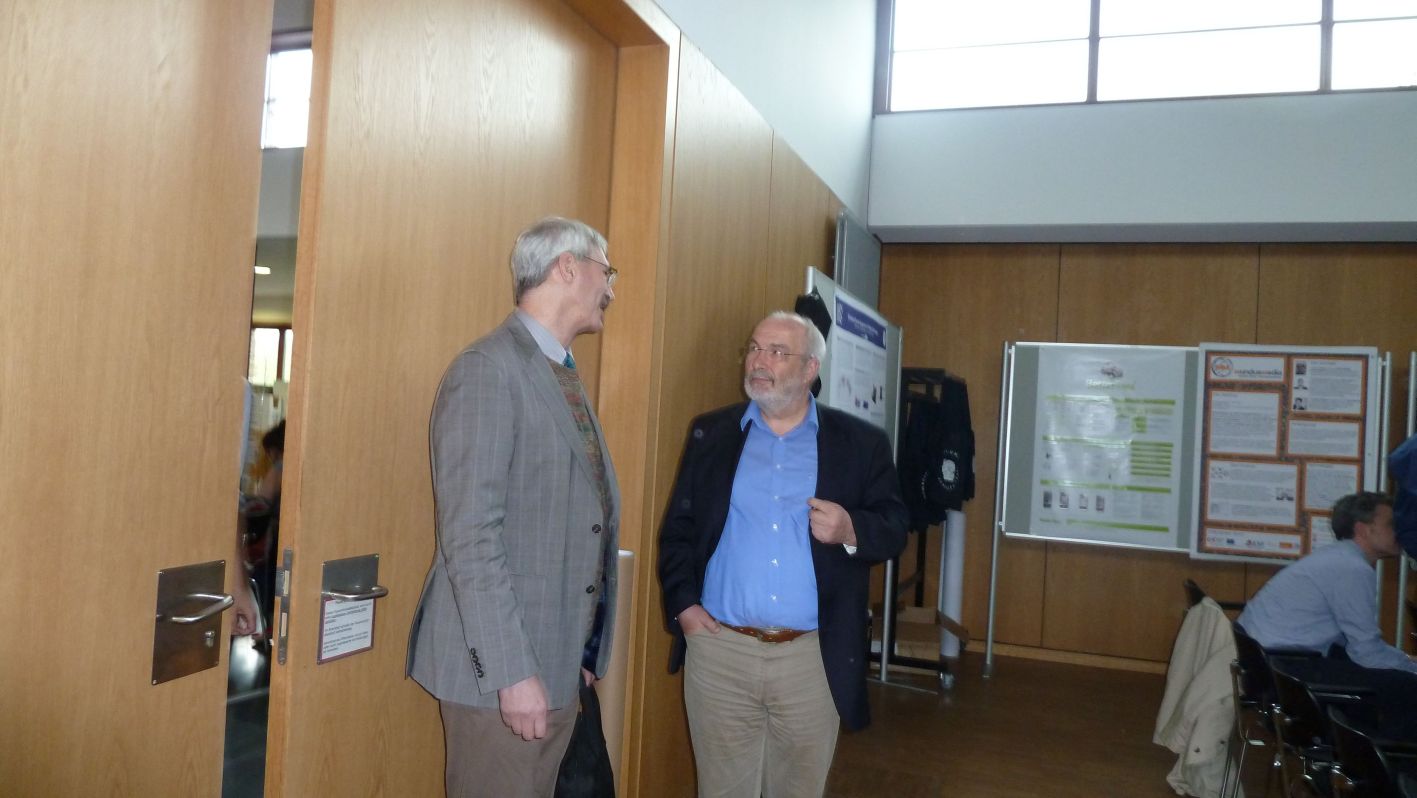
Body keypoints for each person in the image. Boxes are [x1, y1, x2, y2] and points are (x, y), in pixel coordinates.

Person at [407, 217, 620, 797]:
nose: (609, 288)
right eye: (606, 271)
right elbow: (471, 537)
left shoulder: (559, 370)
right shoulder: (488, 370)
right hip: (503, 679)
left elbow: (579, 522)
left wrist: (580, 647)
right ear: (567, 268)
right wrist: (512, 672)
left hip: (555, 664)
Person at [658, 311, 909, 797]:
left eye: (777, 352)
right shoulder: (712, 434)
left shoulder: (860, 445)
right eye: (755, 348)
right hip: (721, 652)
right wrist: (685, 608)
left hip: (811, 657)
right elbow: (678, 533)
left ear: (810, 368)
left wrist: (851, 528)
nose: (759, 361)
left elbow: (895, 526)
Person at [1237, 491, 1417, 673]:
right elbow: (1366, 654)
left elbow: (1354, 643)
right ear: (1362, 530)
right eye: (1391, 524)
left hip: (1263, 657)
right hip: (1283, 664)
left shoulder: (1338, 557)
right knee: (1403, 685)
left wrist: (1404, 660)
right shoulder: (1352, 568)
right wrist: (1410, 666)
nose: (1400, 531)